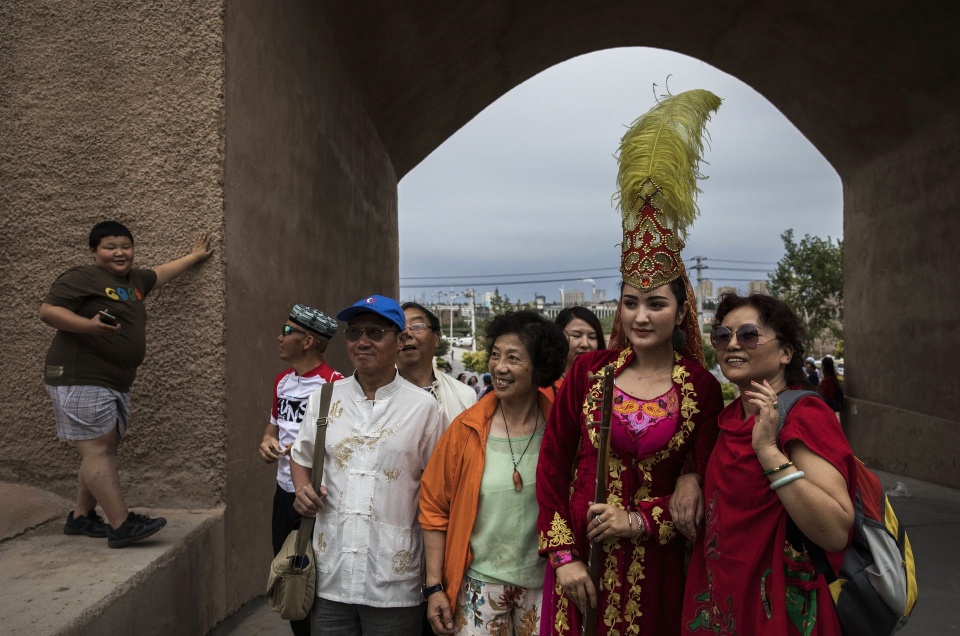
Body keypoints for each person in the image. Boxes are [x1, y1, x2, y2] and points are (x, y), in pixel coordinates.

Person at [536, 89, 724, 635]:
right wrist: (563, 557)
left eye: (656, 304)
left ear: (680, 309)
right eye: (631, 302)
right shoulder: (588, 372)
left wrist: (644, 517)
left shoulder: (701, 388)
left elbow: (709, 489)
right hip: (579, 566)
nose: (641, 316)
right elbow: (553, 467)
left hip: (656, 571)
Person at [682, 293, 857, 635]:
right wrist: (688, 478)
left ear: (785, 353)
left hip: (779, 610)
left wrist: (767, 450)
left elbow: (835, 531)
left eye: (748, 335)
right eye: (722, 336)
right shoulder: (728, 419)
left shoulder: (805, 415)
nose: (732, 344)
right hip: (723, 604)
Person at [40, 220, 213, 548]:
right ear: (93, 252)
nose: (120, 253)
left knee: (100, 449)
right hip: (82, 375)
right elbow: (48, 311)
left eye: (126, 246)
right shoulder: (82, 277)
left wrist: (193, 257)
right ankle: (121, 525)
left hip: (112, 380)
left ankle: (81, 517)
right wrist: (88, 326)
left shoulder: (135, 281)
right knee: (99, 449)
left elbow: (160, 273)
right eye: (110, 247)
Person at [290, 294, 445, 635]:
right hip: (330, 574)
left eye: (375, 332)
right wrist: (302, 490)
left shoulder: (425, 409)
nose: (362, 341)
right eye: (354, 332)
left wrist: (435, 581)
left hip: (393, 580)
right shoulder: (325, 398)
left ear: (400, 340)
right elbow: (300, 456)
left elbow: (439, 496)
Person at [420, 310, 567, 635]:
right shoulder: (465, 429)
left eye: (513, 358)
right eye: (496, 355)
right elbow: (433, 508)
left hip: (546, 584)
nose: (499, 367)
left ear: (540, 367)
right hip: (478, 586)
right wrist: (434, 587)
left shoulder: (561, 431)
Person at [259, 304, 342, 636]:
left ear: (308, 341)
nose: (279, 338)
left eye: (287, 331)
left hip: (317, 499)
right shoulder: (282, 381)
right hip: (284, 494)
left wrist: (308, 447)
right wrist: (267, 442)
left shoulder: (336, 384)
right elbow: (273, 427)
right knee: (289, 579)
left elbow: (344, 444)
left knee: (319, 581)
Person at [398, 302, 476, 423]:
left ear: (436, 339)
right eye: (399, 329)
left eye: (417, 326)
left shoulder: (465, 396)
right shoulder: (374, 395)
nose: (407, 334)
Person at [552, 306, 606, 392]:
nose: (585, 344)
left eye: (592, 337)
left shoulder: (607, 383)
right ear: (558, 336)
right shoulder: (543, 387)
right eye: (576, 335)